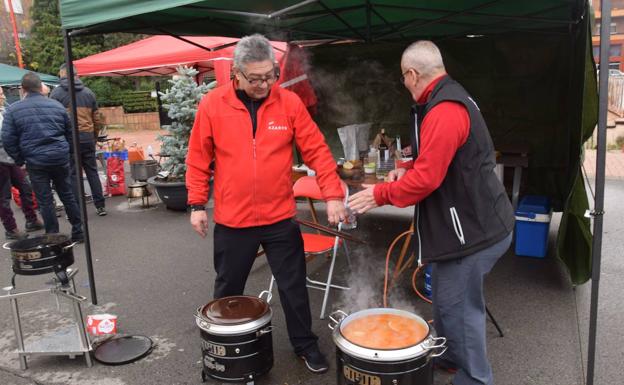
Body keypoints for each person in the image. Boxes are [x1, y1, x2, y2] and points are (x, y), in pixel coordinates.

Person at [349, 41, 515, 385]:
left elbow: (427, 180)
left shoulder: (444, 109)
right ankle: (450, 355)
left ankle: (474, 378)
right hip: (462, 227)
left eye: (403, 78)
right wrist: (405, 166)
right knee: (443, 299)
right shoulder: (443, 99)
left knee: (460, 309)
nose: (405, 85)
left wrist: (379, 194)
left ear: (412, 74)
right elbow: (434, 160)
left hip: (472, 232)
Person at [186, 34, 346, 374]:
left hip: (279, 218)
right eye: (255, 78)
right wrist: (197, 204)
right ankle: (226, 351)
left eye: (270, 75)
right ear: (236, 74)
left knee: (293, 287)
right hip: (233, 221)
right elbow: (198, 158)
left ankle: (305, 345)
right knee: (228, 289)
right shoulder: (213, 104)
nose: (264, 84)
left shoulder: (288, 103)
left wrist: (332, 194)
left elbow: (317, 150)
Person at [1, 73, 84, 243]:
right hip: (59, 157)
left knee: (45, 200)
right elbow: (70, 133)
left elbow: (7, 139)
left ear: (23, 90)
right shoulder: (57, 106)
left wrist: (20, 160)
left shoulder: (13, 110)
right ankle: (78, 230)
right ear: (41, 88)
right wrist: (66, 153)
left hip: (35, 160)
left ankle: (53, 235)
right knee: (67, 194)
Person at [51, 64, 107, 216]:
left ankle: (79, 208)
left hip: (69, 139)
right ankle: (100, 205)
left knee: (74, 174)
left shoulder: (56, 94)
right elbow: (97, 119)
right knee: (92, 171)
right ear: (77, 75)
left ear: (62, 75)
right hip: (87, 138)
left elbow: (54, 121)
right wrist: (94, 136)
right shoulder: (89, 93)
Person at [0, 87, 44, 239]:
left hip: (11, 158)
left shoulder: (6, 110)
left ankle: (31, 220)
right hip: (1, 160)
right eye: (0, 94)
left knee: (25, 187)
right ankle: (11, 229)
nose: (3, 96)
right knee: (4, 197)